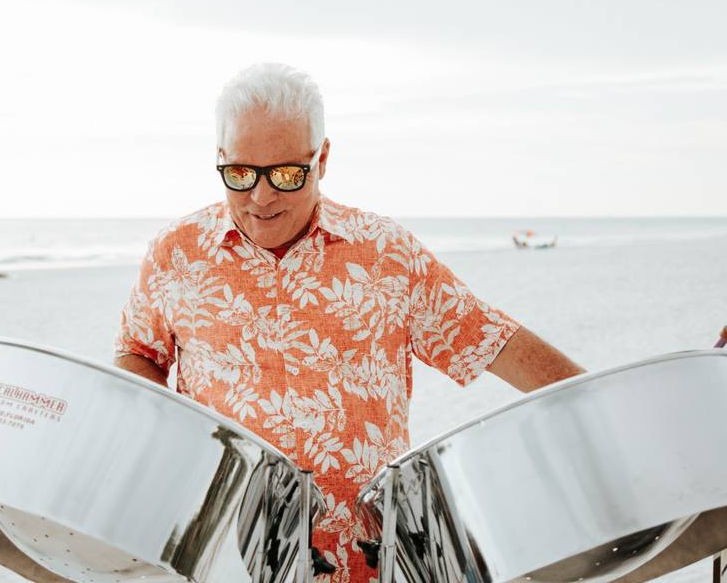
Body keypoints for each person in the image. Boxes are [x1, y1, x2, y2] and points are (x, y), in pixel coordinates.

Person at [114, 62, 583, 582]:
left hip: (369, 562)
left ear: (324, 159)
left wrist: (601, 411)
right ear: (220, 158)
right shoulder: (176, 254)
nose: (261, 197)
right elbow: (137, 353)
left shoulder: (384, 254)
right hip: (225, 561)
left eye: (287, 175)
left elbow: (490, 341)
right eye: (241, 174)